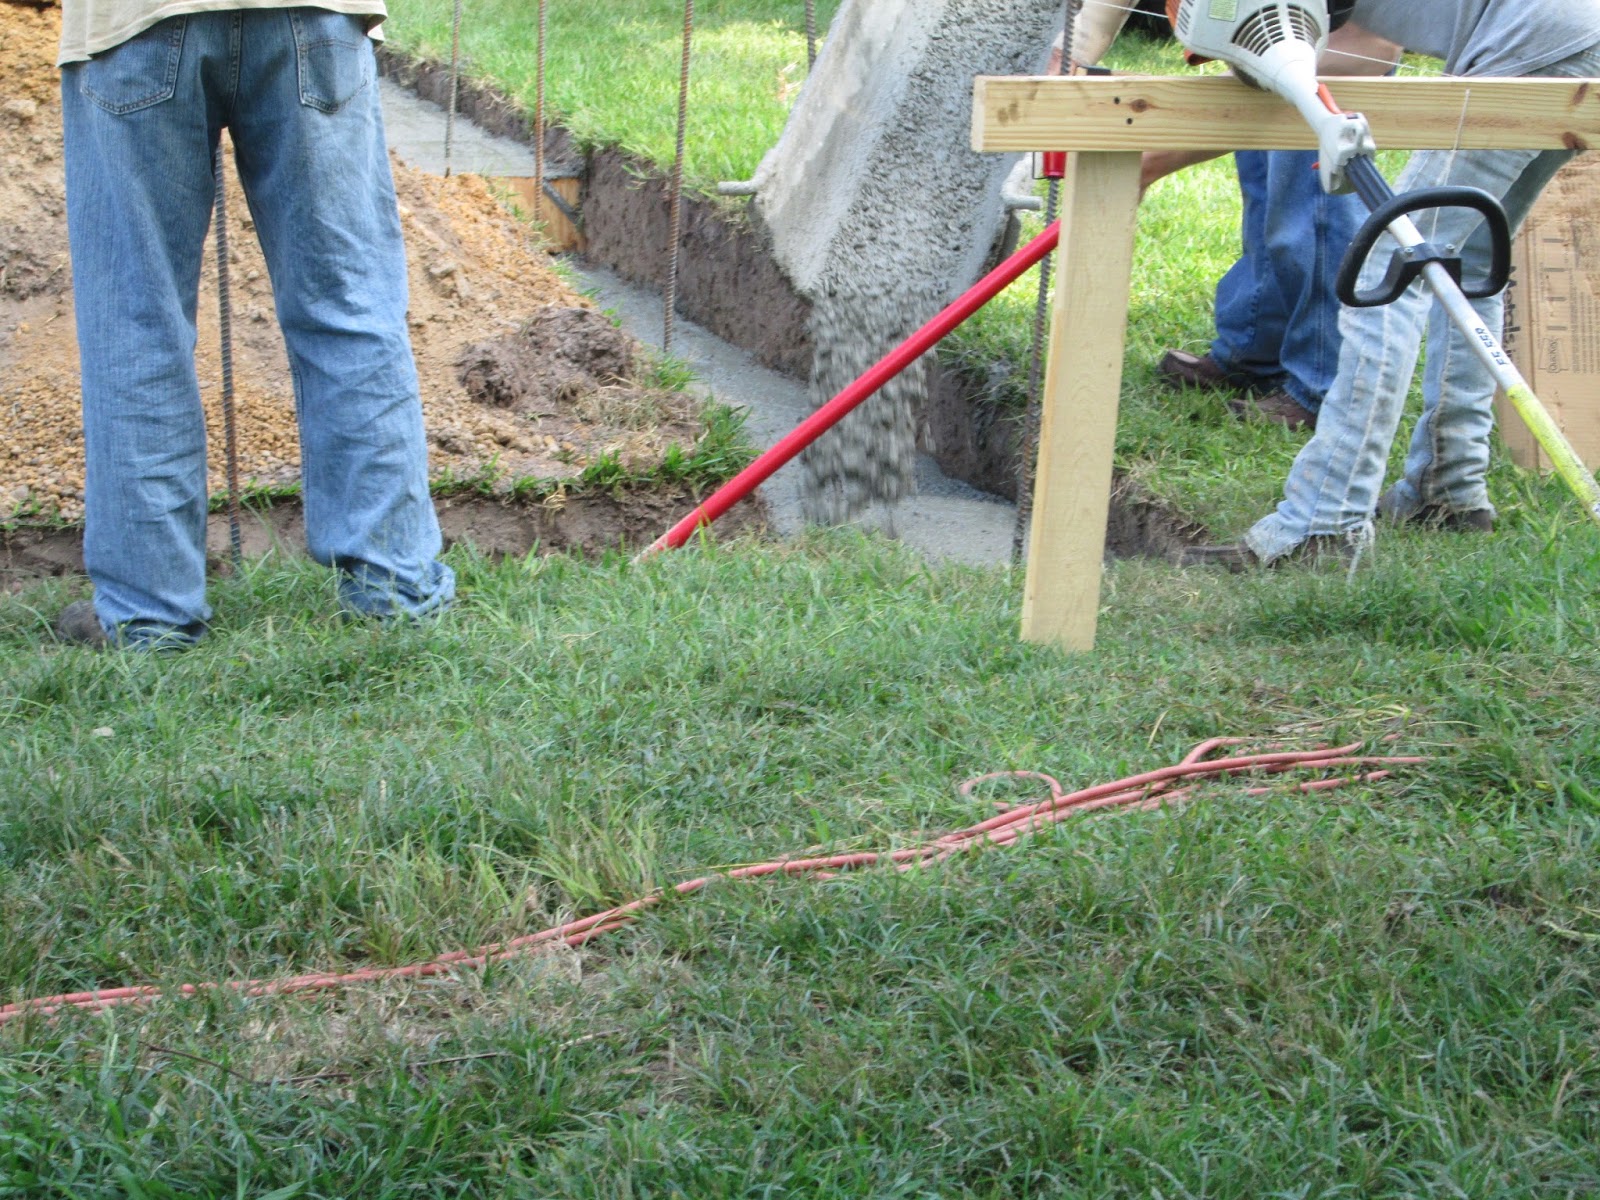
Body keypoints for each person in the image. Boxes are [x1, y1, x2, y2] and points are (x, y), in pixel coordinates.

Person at [51, 0, 455, 648]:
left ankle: (149, 615)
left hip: (134, 20)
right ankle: (395, 586)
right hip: (314, 12)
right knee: (346, 304)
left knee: (137, 323)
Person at [1187, 0, 1600, 568]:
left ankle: (1324, 521)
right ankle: (1447, 490)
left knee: (1392, 267)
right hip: (1574, 37)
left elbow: (1315, 49)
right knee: (1469, 259)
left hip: (1534, 44)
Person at [1147, 22, 1402, 431]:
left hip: (1327, 66)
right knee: (1268, 203)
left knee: (1313, 224)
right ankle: (1253, 350)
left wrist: (1154, 161)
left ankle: (1320, 387)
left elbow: (1374, 42)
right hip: (1272, 55)